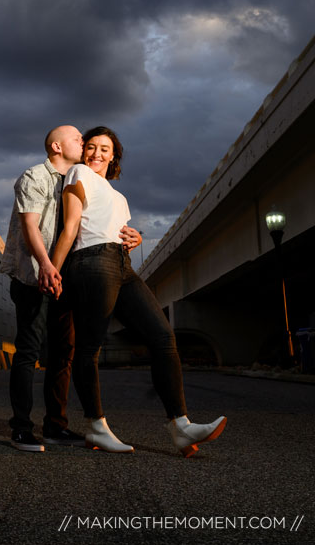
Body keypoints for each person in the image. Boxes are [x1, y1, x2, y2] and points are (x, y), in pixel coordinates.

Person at [50, 126, 226, 457]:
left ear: (114, 155)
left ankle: (181, 427)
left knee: (163, 337)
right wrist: (52, 271)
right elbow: (72, 225)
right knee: (90, 348)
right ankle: (97, 427)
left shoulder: (119, 196)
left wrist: (137, 238)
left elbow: (114, 226)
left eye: (105, 148)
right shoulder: (78, 173)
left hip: (122, 264)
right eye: (91, 146)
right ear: (83, 151)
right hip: (91, 260)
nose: (97, 153)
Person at [0, 125, 140, 452]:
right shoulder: (35, 177)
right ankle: (20, 428)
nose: (84, 143)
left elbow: (96, 223)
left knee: (63, 354)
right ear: (56, 146)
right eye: (78, 139)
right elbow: (30, 226)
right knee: (29, 351)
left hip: (66, 279)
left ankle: (55, 426)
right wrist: (47, 266)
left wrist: (134, 236)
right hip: (36, 276)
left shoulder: (80, 180)